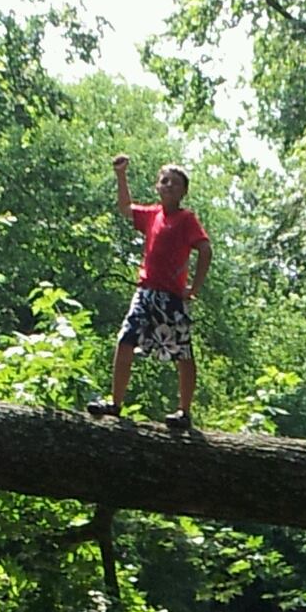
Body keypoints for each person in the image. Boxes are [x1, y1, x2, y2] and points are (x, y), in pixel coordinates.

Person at [87, 155, 212, 431]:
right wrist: (121, 175)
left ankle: (184, 412)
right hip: (145, 293)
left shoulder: (186, 219)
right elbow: (125, 208)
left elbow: (205, 249)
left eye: (175, 184)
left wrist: (195, 287)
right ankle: (115, 403)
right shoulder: (153, 215)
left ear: (183, 192)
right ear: (157, 186)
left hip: (171, 297)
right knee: (125, 339)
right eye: (164, 181)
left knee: (183, 352)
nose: (168, 186)